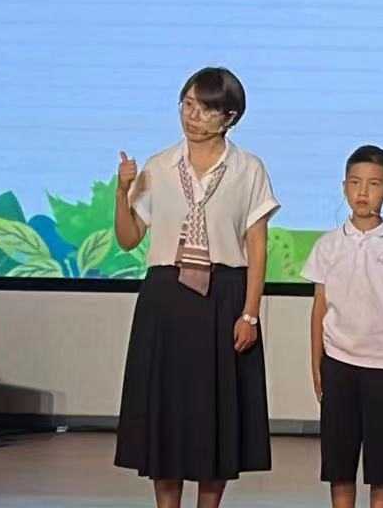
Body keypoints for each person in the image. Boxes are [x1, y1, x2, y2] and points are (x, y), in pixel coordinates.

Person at [113, 66, 280, 508]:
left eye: (205, 109)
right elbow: (129, 238)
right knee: (165, 414)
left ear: (229, 117)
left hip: (223, 294)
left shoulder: (248, 169)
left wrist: (250, 314)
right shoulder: (159, 166)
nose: (192, 116)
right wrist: (122, 191)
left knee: (215, 415)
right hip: (166, 296)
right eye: (187, 105)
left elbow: (256, 246)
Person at [303, 145, 383, 508]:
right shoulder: (328, 245)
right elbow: (319, 307)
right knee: (340, 464)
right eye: (355, 182)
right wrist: (316, 362)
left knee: (382, 465)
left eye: (373, 184)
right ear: (344, 186)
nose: (362, 192)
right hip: (338, 361)